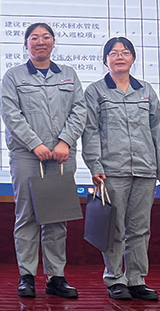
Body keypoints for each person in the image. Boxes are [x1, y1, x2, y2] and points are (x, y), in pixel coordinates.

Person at [0, 22, 86, 299]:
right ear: (26, 44)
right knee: (27, 217)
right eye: (34, 37)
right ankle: (26, 276)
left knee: (57, 219)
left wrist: (65, 141)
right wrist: (34, 143)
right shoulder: (13, 76)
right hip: (27, 156)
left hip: (61, 157)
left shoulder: (69, 75)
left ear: (53, 42)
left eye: (46, 37)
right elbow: (11, 114)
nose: (40, 42)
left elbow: (79, 110)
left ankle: (55, 277)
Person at [82, 37, 160, 301]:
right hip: (112, 170)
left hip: (145, 170)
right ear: (105, 60)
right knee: (114, 228)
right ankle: (115, 279)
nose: (119, 57)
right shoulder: (95, 91)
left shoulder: (146, 90)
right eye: (113, 53)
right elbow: (90, 131)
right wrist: (95, 164)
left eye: (125, 52)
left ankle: (136, 280)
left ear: (133, 58)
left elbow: (157, 131)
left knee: (140, 229)